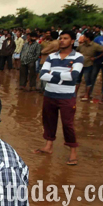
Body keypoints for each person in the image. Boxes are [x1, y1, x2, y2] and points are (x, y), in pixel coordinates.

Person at [34, 30, 84, 166]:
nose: (62, 40)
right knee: (49, 120)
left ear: (72, 41)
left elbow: (73, 76)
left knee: (68, 124)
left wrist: (53, 74)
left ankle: (73, 151)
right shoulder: (51, 56)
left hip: (67, 96)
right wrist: (62, 76)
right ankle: (48, 146)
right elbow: (42, 74)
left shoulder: (78, 57)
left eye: (66, 38)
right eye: (61, 38)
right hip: (49, 94)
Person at [77, 32, 103, 101]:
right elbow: (76, 51)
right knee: (77, 80)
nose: (83, 38)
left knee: (87, 80)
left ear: (87, 38)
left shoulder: (95, 46)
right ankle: (74, 94)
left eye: (84, 37)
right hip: (80, 65)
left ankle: (87, 95)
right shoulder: (81, 45)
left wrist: (96, 58)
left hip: (88, 65)